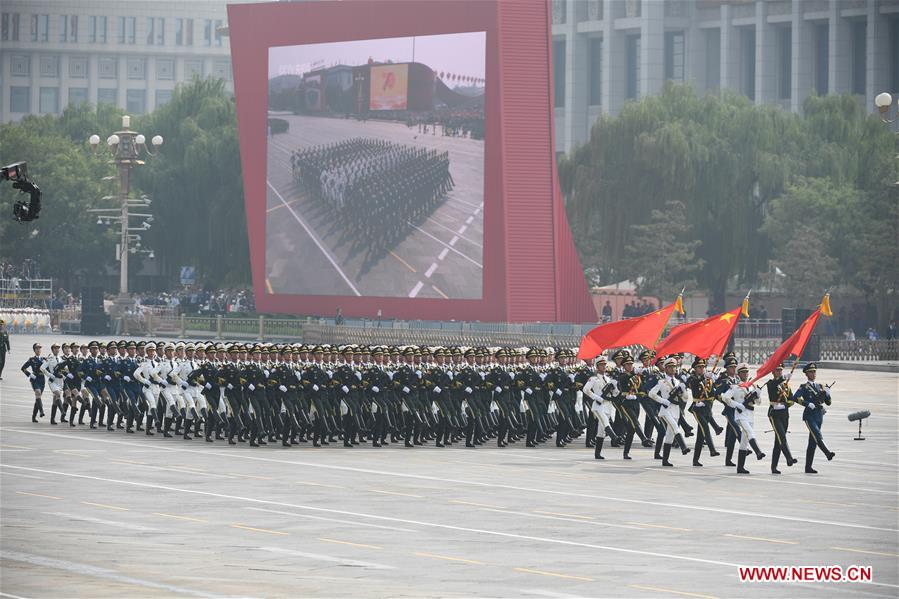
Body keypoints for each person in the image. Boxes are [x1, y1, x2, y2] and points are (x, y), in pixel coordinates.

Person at [792, 363, 835, 474]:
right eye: (811, 372)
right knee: (817, 434)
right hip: (809, 415)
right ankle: (828, 453)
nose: (813, 374)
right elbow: (795, 398)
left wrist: (828, 394)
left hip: (819, 415)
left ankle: (808, 467)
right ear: (806, 374)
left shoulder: (820, 386)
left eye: (814, 371)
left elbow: (828, 403)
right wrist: (807, 404)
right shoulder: (804, 387)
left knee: (812, 442)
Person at [21, 343, 45, 423]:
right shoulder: (31, 359)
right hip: (35, 379)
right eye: (37, 348)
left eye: (39, 348)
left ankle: (33, 416)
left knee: (38, 398)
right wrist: (30, 375)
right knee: (38, 393)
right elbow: (23, 368)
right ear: (34, 350)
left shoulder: (44, 359)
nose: (38, 350)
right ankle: (41, 411)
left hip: (42, 380)